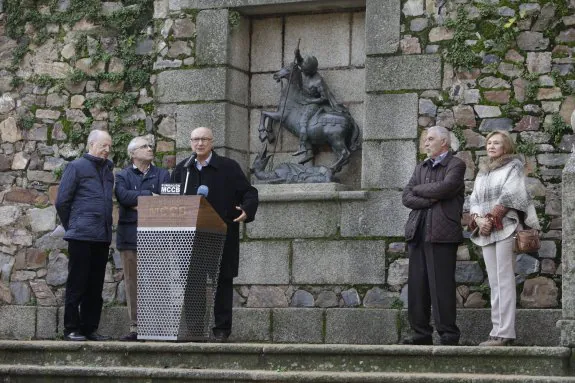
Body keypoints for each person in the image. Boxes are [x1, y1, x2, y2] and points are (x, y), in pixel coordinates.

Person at [171, 127, 258, 342]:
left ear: (212, 142)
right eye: (195, 140)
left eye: (204, 139)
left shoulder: (228, 167)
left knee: (222, 281)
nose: (199, 143)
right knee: (193, 283)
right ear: (190, 142)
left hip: (221, 235)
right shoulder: (183, 169)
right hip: (190, 238)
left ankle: (221, 329)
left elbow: (249, 192)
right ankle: (195, 330)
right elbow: (170, 196)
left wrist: (247, 210)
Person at [469, 130, 540, 347]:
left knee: (505, 280)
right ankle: (495, 330)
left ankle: (505, 332)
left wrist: (491, 218)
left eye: (496, 143)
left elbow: (512, 194)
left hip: (506, 227)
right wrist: (479, 219)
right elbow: (474, 199)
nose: (491, 146)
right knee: (494, 282)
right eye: (489, 142)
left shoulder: (513, 166)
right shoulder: (483, 171)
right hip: (486, 230)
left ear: (505, 146)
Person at [401, 126, 466, 346]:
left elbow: (447, 188)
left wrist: (419, 190)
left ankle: (448, 335)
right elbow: (406, 197)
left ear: (444, 142)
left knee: (442, 287)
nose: (426, 143)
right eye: (425, 140)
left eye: (430, 139)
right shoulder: (421, 167)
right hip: (418, 232)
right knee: (417, 286)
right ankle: (420, 334)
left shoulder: (456, 164)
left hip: (442, 233)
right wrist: (429, 199)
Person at [55, 129, 114, 341]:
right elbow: (62, 201)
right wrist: (73, 225)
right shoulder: (76, 166)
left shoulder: (108, 170)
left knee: (95, 285)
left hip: (102, 235)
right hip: (81, 235)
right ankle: (71, 328)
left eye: (109, 146)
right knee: (77, 283)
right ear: (91, 144)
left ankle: (90, 328)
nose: (107, 149)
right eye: (103, 145)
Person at [115, 136, 170, 341]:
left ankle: (159, 327)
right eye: (144, 146)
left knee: (158, 282)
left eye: (150, 146)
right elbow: (123, 197)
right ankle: (136, 327)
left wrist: (138, 201)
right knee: (132, 283)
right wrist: (150, 197)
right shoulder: (122, 176)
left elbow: (167, 201)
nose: (149, 149)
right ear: (133, 153)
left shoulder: (163, 174)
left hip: (157, 236)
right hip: (130, 236)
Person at [293, 48, 345, 164]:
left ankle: (303, 147)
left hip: (315, 105)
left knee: (302, 122)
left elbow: (324, 98)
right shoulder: (307, 70)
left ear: (310, 71)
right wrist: (297, 55)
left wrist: (311, 101)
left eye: (304, 71)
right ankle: (309, 151)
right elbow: (301, 62)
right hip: (306, 101)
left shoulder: (318, 81)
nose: (302, 72)